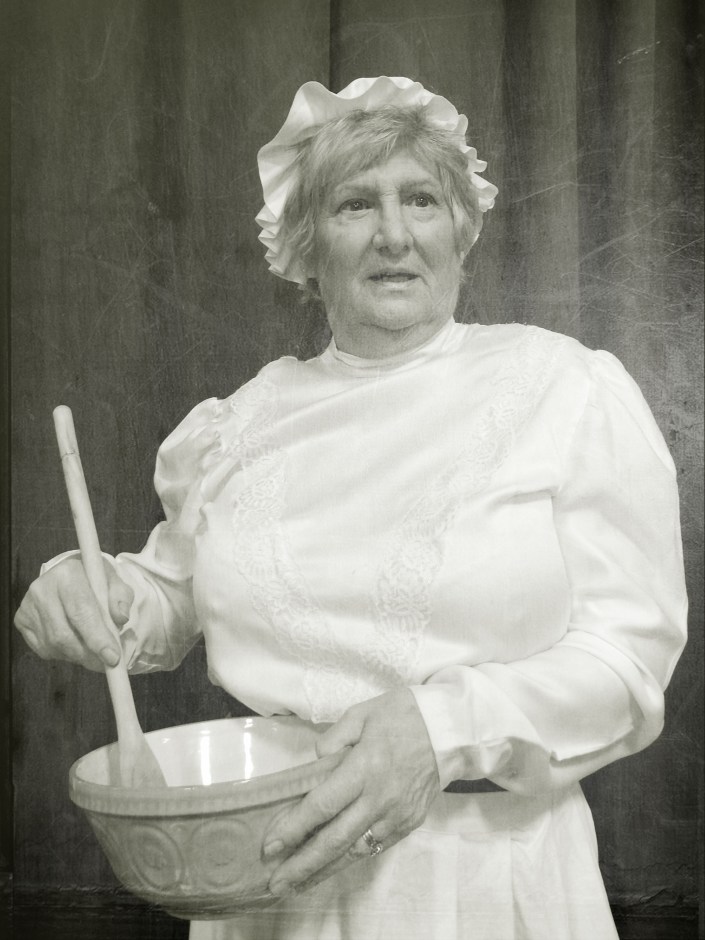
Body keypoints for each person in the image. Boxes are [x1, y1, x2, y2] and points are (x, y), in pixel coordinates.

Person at [14, 76, 688, 940]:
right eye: (355, 205)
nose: (394, 234)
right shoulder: (239, 425)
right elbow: (169, 597)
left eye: (421, 200)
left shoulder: (563, 389)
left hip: (487, 883)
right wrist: (86, 590)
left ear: (460, 228)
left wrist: (441, 729)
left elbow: (627, 663)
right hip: (266, 880)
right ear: (305, 243)